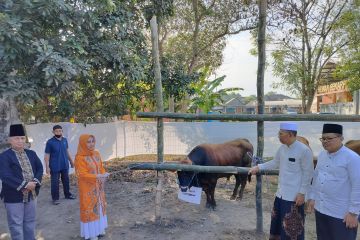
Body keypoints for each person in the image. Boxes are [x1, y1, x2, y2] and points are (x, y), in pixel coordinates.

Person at [248, 122, 313, 240]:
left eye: (281, 133)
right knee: (277, 226)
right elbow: (274, 162)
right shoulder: (282, 148)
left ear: (290, 134)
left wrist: (302, 193)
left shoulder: (304, 150)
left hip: (294, 197)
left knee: (293, 230)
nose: (278, 136)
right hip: (280, 195)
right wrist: (258, 167)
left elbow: (308, 173)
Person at [307, 123, 360, 240]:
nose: (325, 141)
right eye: (323, 138)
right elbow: (316, 177)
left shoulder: (352, 158)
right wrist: (312, 197)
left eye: (329, 138)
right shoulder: (322, 155)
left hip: (341, 214)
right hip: (321, 209)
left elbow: (358, 185)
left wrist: (353, 213)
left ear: (341, 138)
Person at [0, 124, 43, 240]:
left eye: (22, 138)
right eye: (16, 138)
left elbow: (40, 168)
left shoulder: (31, 153)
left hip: (31, 195)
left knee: (30, 222)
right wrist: (25, 184)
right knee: (16, 225)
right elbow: (5, 176)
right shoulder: (4, 156)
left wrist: (34, 181)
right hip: (13, 196)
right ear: (10, 140)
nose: (20, 141)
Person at [75, 134, 109, 240]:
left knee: (99, 207)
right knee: (89, 208)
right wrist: (97, 176)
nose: (91, 144)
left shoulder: (96, 153)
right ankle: (91, 233)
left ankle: (99, 229)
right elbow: (82, 174)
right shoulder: (79, 158)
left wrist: (104, 173)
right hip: (87, 189)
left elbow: (101, 167)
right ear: (83, 143)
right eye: (88, 142)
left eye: (92, 141)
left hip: (99, 187)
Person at [44, 125, 75, 205]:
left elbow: (67, 151)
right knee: (55, 183)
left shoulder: (64, 140)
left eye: (60, 131)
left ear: (62, 131)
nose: (58, 132)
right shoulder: (50, 142)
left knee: (66, 181)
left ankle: (67, 194)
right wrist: (47, 167)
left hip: (64, 165)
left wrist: (71, 161)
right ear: (53, 132)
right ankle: (55, 199)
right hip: (54, 166)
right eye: (56, 131)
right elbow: (47, 155)